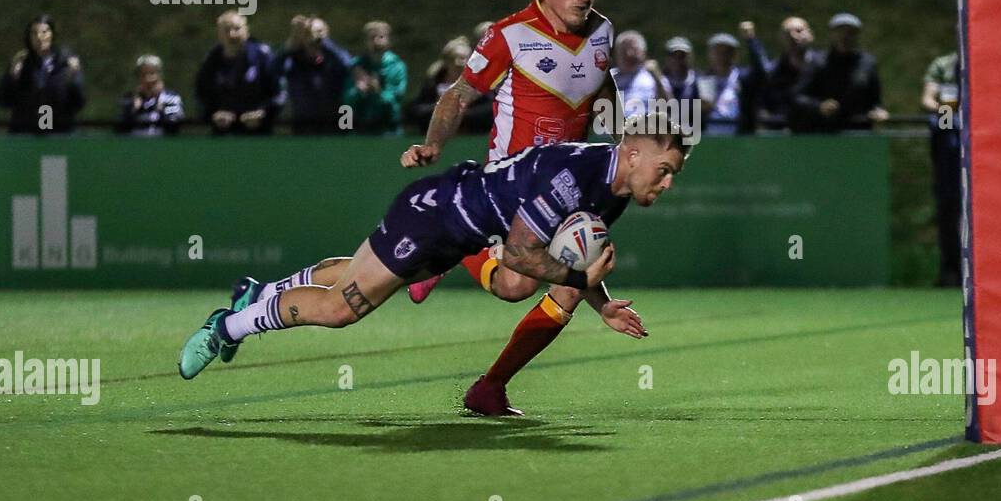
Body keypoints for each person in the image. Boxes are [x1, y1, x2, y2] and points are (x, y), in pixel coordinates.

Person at [224, 0, 620, 416]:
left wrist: (616, 132)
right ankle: (454, 257)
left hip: (565, 187)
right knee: (512, 285)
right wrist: (433, 143)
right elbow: (457, 95)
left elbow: (602, 86)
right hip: (505, 190)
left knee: (570, 281)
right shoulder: (510, 35)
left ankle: (489, 387)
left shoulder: (602, 32)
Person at [179, 123, 688, 385]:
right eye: (663, 169)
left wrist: (603, 303)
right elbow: (517, 255)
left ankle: (259, 294)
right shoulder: (575, 175)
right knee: (340, 308)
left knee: (357, 277)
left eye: (673, 176)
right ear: (633, 152)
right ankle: (226, 326)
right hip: (434, 219)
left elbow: (577, 260)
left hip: (455, 231)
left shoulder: (611, 190)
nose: (665, 184)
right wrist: (581, 281)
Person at [788, 12, 888, 133]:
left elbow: (875, 100)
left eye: (850, 32)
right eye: (840, 31)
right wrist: (819, 106)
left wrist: (879, 111)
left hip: (859, 133)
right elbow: (797, 97)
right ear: (832, 34)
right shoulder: (818, 62)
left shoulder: (867, 63)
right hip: (825, 133)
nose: (845, 36)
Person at [194, 11, 280, 136]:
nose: (232, 34)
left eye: (237, 29)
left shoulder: (263, 56)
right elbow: (200, 95)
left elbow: (279, 93)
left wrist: (264, 113)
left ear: (247, 31)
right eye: (226, 30)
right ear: (219, 34)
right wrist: (213, 114)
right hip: (224, 133)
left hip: (258, 132)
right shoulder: (211, 59)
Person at [0, 15, 84, 133]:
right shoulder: (20, 62)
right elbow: (4, 101)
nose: (39, 37)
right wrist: (12, 78)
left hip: (58, 133)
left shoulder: (65, 63)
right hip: (25, 134)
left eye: (44, 32)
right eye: (34, 33)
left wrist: (72, 79)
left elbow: (78, 103)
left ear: (52, 34)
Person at [922, 51, 962, 287]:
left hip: (981, 133)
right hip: (950, 135)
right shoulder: (943, 64)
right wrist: (950, 113)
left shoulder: (985, 59)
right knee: (949, 204)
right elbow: (927, 100)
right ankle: (950, 269)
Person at [275, 15, 352, 135]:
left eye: (320, 32)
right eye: (308, 34)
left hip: (333, 128)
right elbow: (272, 70)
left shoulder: (334, 59)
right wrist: (292, 42)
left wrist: (323, 41)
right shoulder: (293, 61)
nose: (313, 37)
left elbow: (348, 64)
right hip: (303, 129)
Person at [407, 35, 491, 135]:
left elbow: (491, 112)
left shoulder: (481, 86)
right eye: (452, 58)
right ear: (445, 61)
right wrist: (441, 107)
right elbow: (415, 112)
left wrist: (462, 112)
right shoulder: (432, 85)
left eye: (463, 58)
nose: (457, 63)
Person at [753, 15, 822, 130]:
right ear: (781, 39)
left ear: (810, 35)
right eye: (787, 33)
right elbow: (763, 106)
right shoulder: (772, 72)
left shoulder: (823, 66)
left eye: (799, 31)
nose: (793, 36)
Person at [697, 25, 768, 135]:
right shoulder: (702, 80)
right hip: (709, 139)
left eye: (727, 52)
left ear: (734, 55)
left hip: (738, 139)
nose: (722, 56)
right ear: (710, 54)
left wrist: (751, 40)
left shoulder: (743, 78)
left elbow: (761, 71)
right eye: (718, 52)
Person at [343, 20, 407, 135]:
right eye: (372, 38)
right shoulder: (356, 65)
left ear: (388, 41)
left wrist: (378, 90)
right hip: (361, 130)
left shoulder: (397, 66)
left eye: (381, 37)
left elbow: (396, 100)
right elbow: (346, 102)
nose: (376, 41)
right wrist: (358, 90)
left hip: (388, 130)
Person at [116, 53, 183, 136]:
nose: (147, 79)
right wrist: (133, 110)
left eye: (152, 74)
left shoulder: (171, 97)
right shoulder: (129, 99)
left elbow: (175, 127)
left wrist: (160, 107)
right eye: (143, 75)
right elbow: (119, 129)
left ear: (159, 75)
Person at [611, 31, 667, 117]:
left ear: (643, 53)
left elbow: (668, 104)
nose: (628, 54)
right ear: (616, 54)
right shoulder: (609, 76)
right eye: (623, 50)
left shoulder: (652, 76)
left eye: (634, 50)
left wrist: (657, 78)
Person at [661, 36, 699, 103]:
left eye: (682, 56)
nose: (677, 60)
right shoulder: (660, 81)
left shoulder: (699, 80)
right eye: (673, 56)